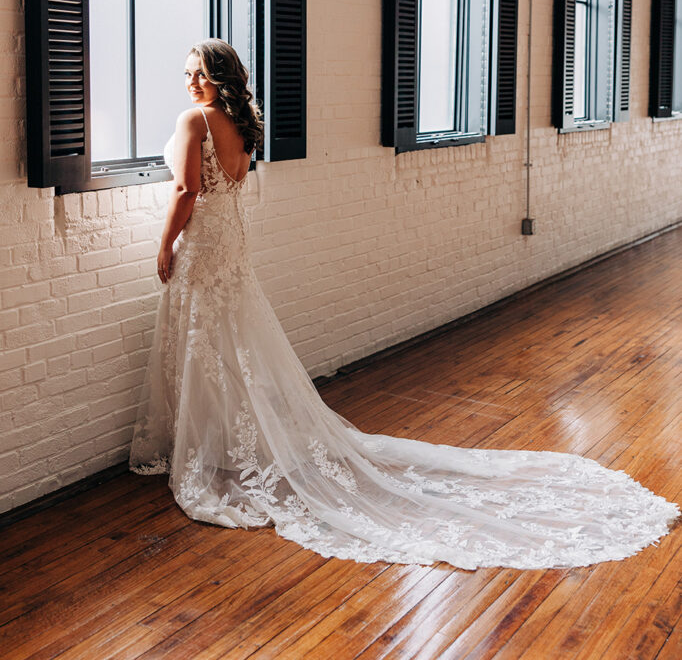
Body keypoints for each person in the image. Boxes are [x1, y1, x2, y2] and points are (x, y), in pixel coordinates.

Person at [130, 39, 679, 569]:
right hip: (232, 239)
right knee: (231, 340)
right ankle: (225, 442)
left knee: (210, 340)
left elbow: (185, 191)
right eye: (186, 73)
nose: (190, 82)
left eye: (199, 72)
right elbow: (226, 183)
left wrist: (163, 245)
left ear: (221, 75)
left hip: (203, 241)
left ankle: (210, 450)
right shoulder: (242, 125)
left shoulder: (193, 121)